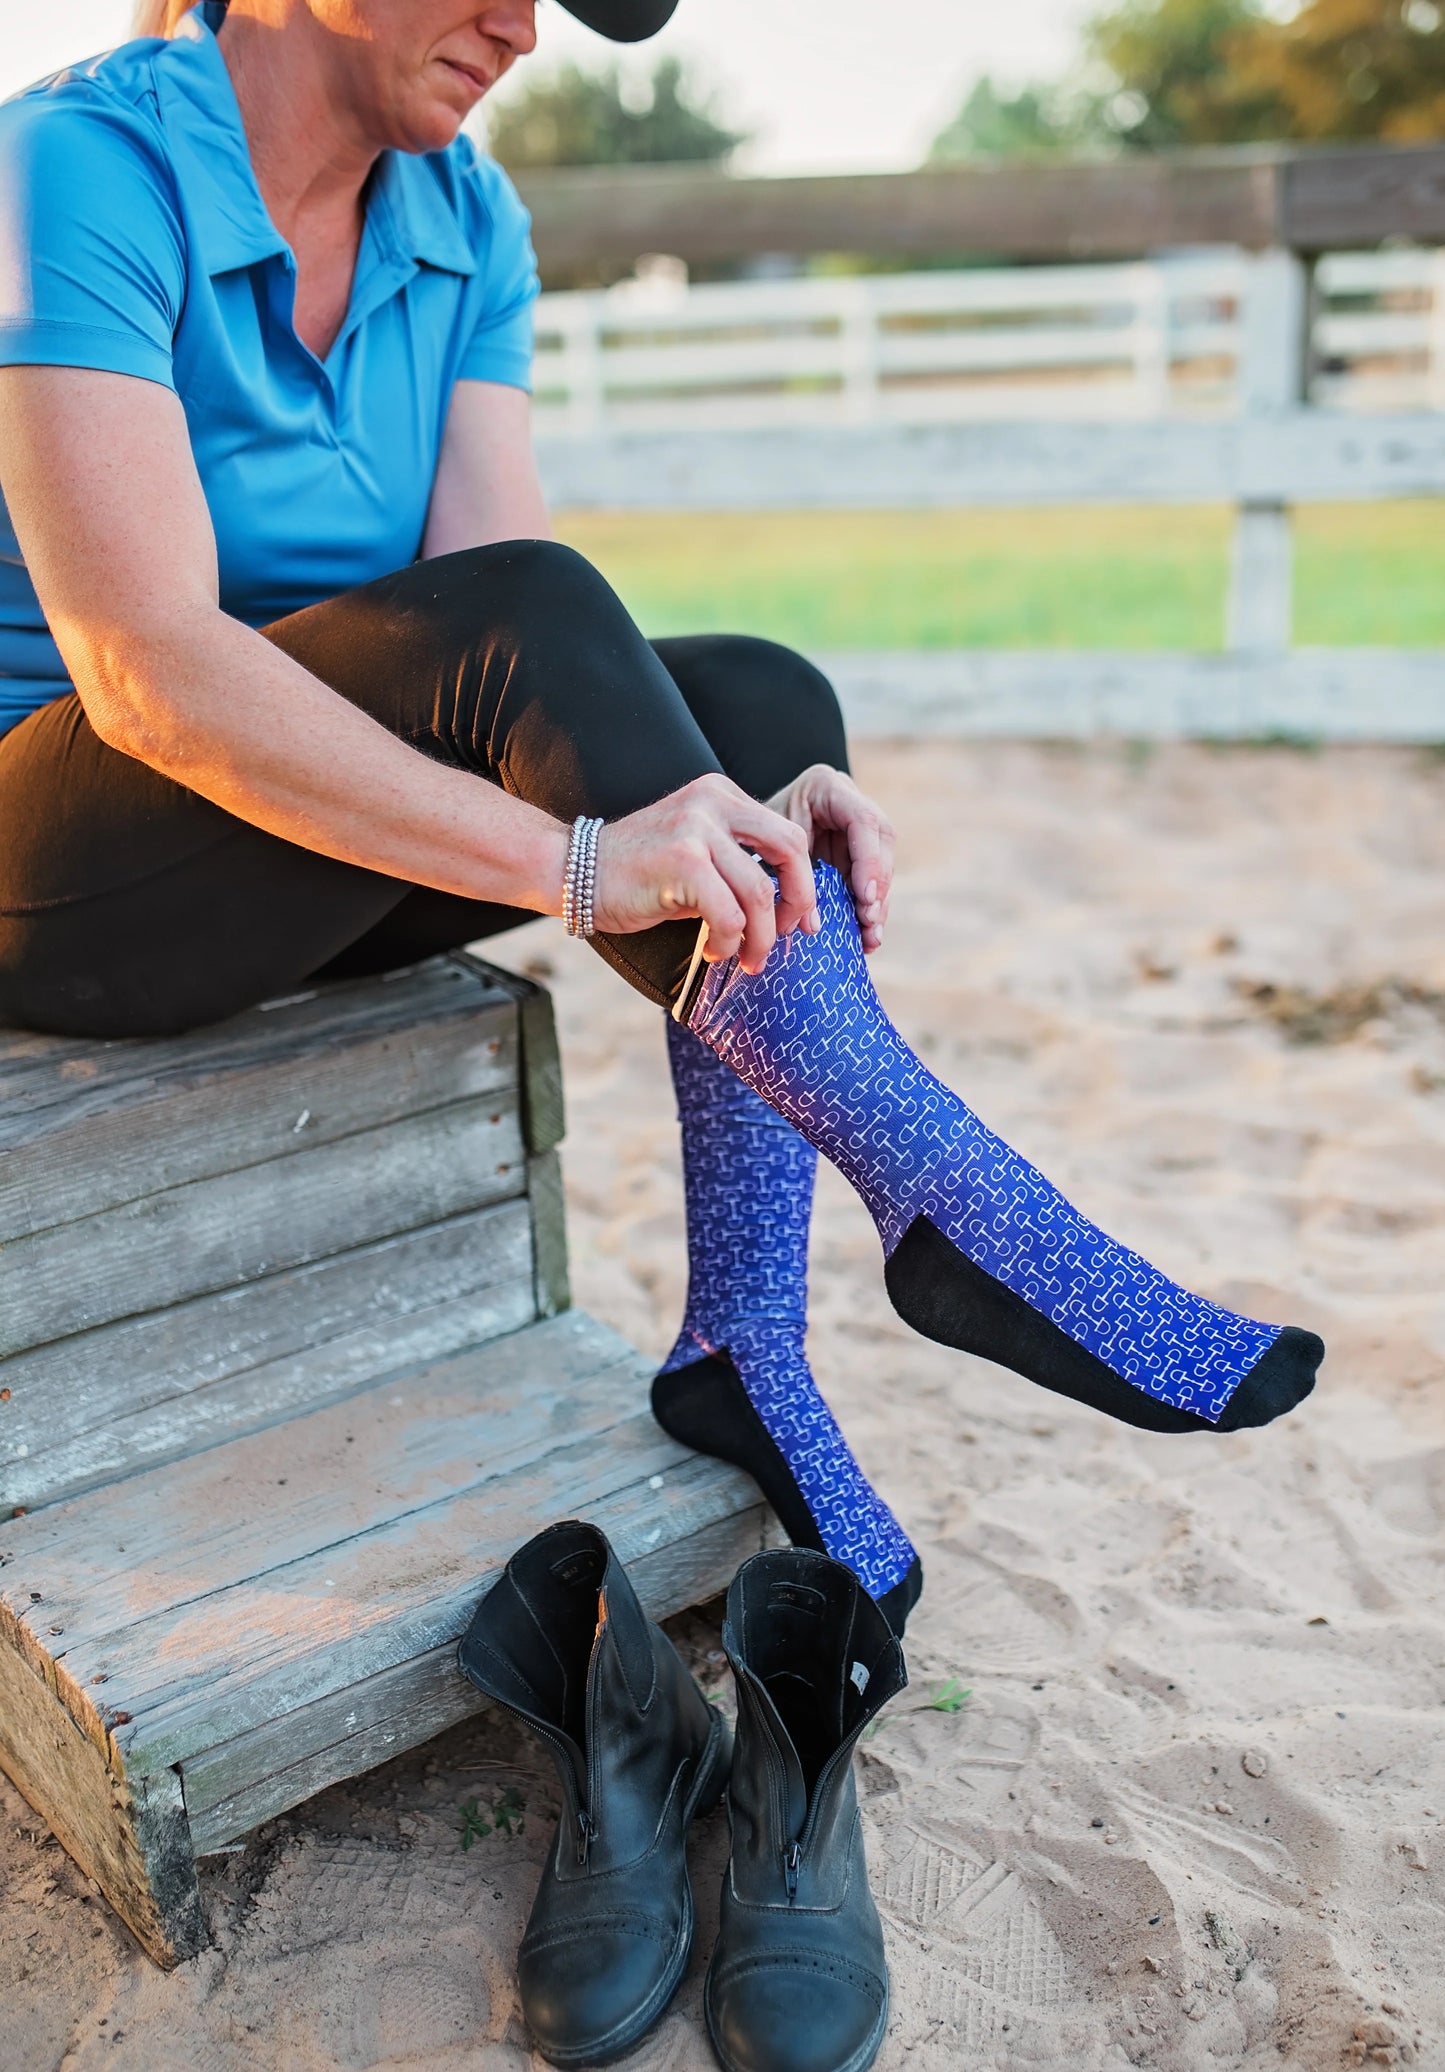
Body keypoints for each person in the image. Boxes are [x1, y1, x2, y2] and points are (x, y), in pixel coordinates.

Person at [0, 0, 1322, 1651]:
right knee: (589, 665)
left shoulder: (465, 213)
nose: (526, 29)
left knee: (764, 710)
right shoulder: (74, 160)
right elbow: (141, 668)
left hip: (304, 838)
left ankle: (742, 1345)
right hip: (62, 866)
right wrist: (574, 865)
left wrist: (698, 790)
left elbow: (500, 610)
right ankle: (962, 1206)